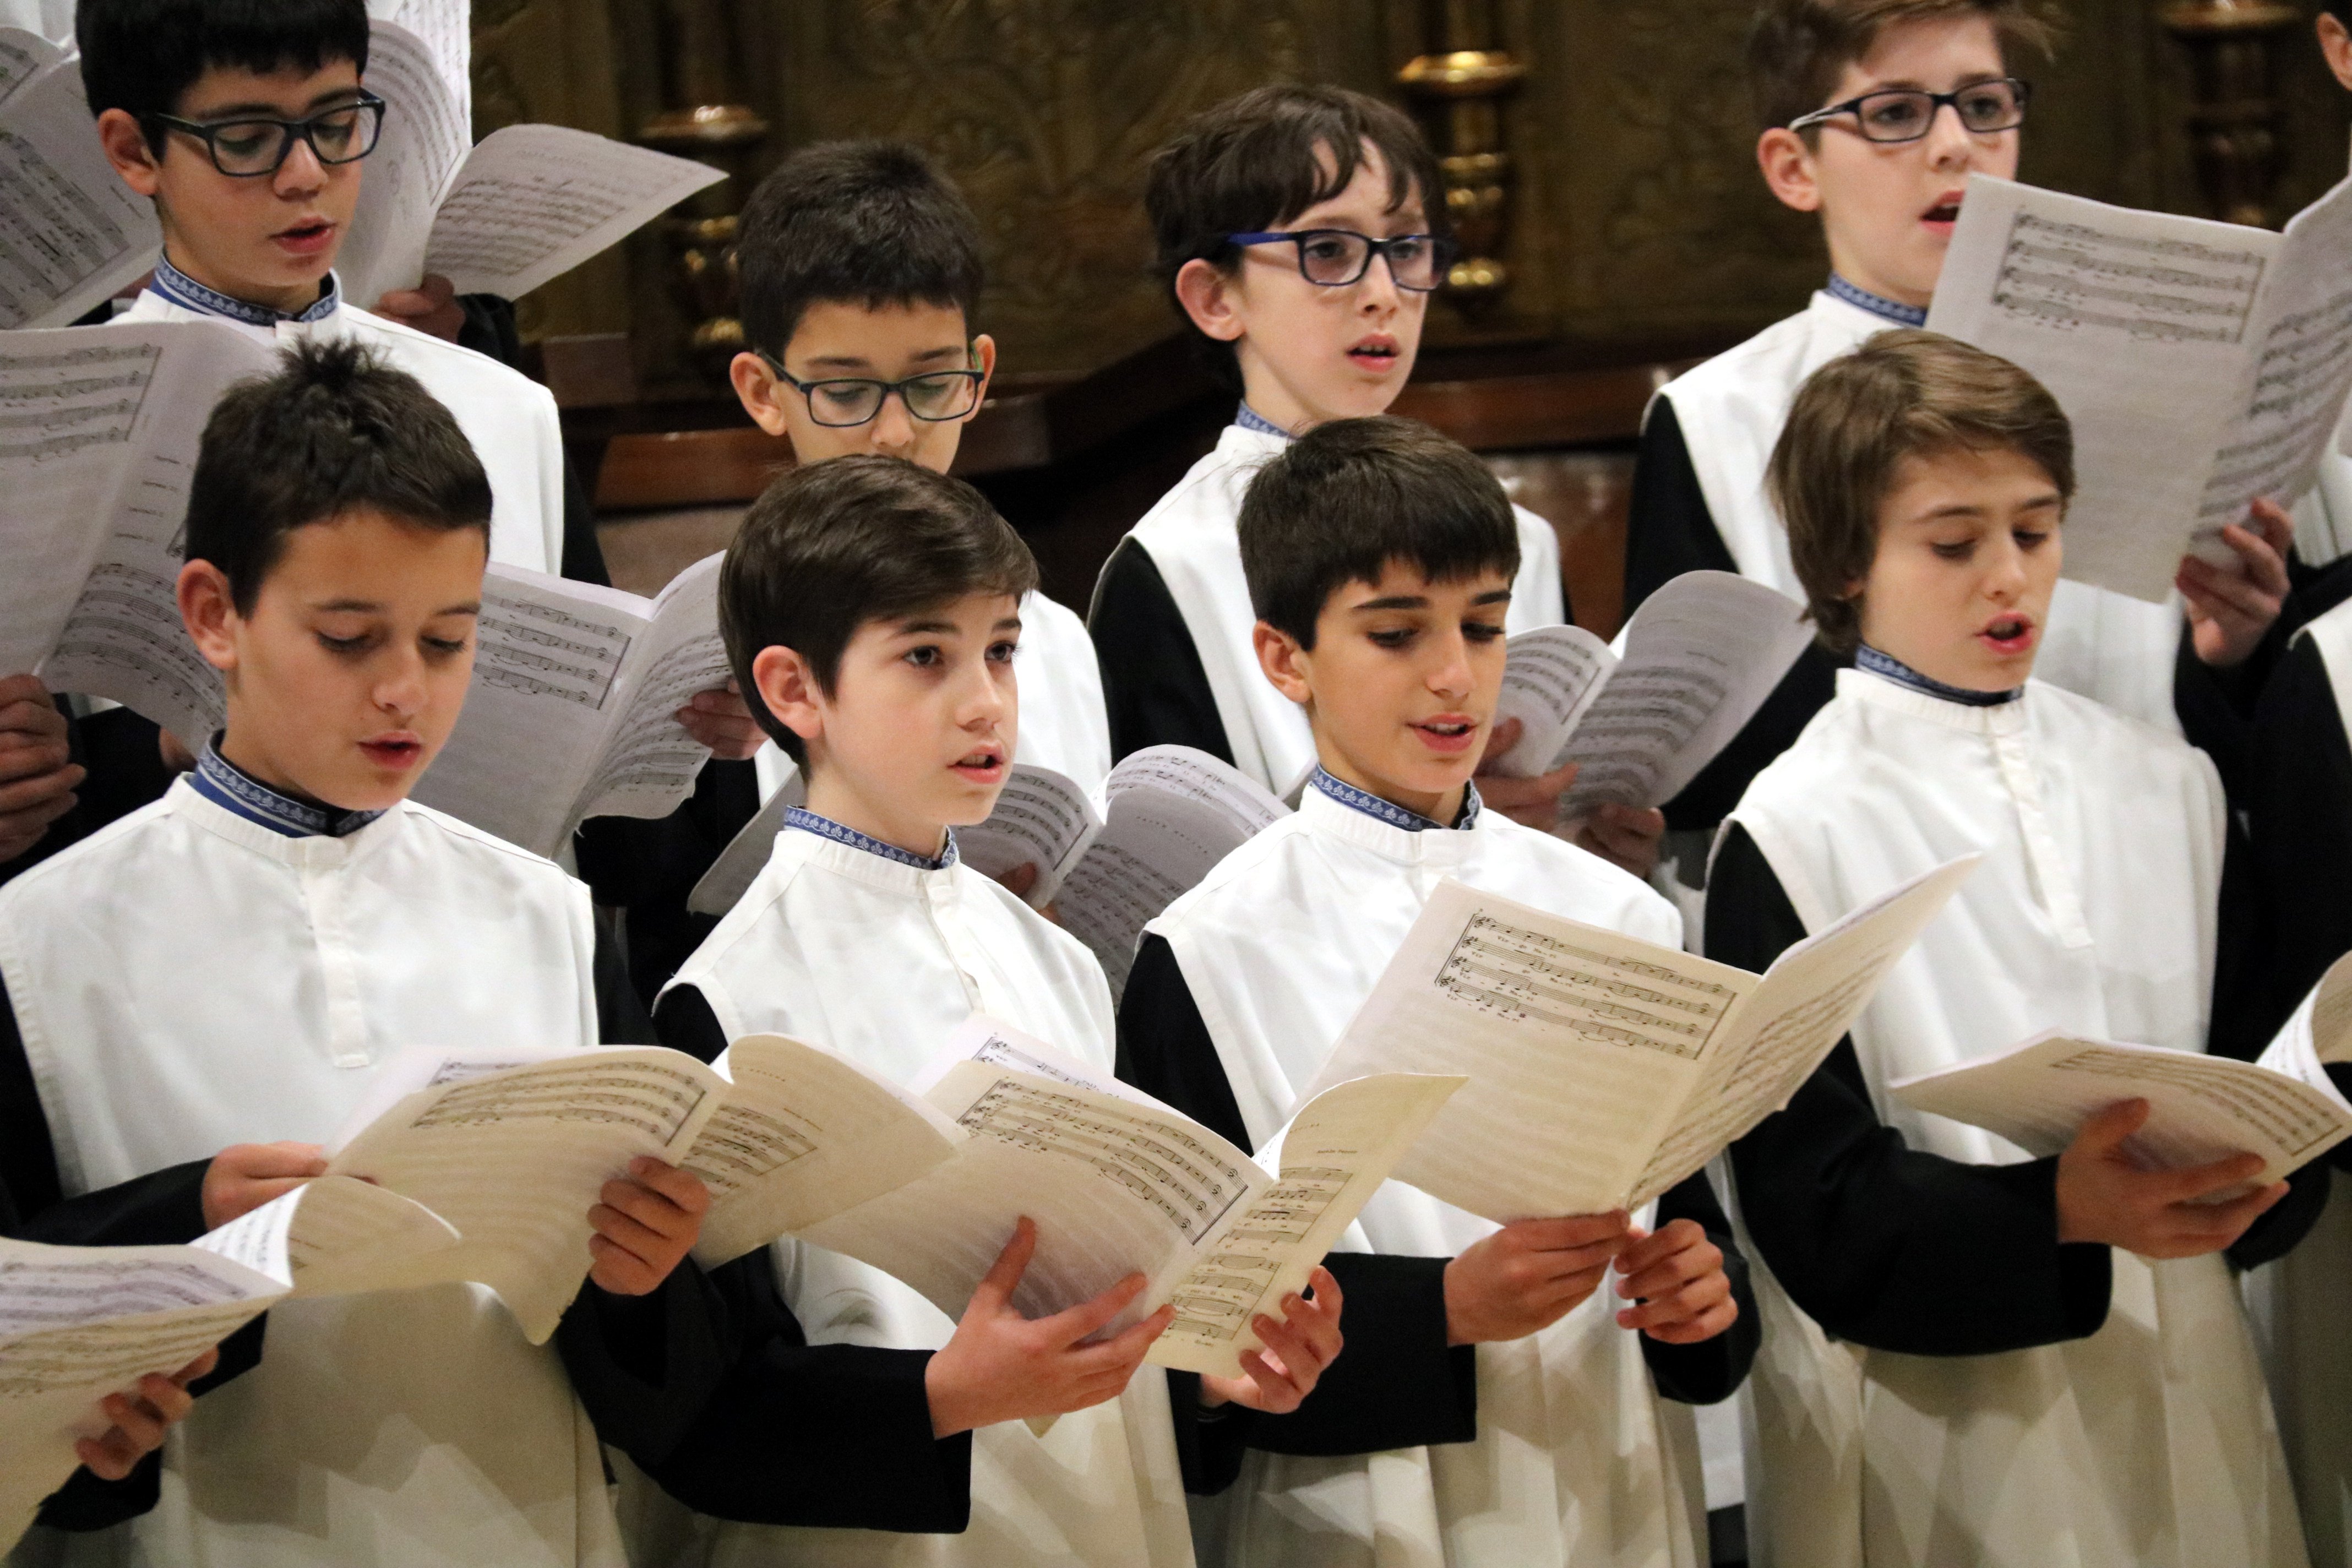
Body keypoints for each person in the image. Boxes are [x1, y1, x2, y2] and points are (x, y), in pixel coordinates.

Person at [0, 340, 715, 1566]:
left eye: (447, 640)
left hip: (522, 1518)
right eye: (348, 637)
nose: (406, 691)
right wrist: (181, 1221)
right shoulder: (37, 940)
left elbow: (648, 1366)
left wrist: (648, 1274)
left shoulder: (544, 912)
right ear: (214, 613)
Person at [638, 455, 1340, 1564]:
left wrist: (1207, 1366)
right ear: (793, 689)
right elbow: (712, 1405)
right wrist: (936, 1395)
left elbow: (1114, 1288)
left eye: (1001, 650)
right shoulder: (724, 998)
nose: (985, 701)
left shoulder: (1059, 962)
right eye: (927, 655)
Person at [1712, 328, 2327, 1568]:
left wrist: (2268, 1170)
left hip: (2196, 1375)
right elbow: (1810, 1197)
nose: (2012, 579)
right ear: (1843, 563)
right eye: (1953, 542)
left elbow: (2273, 1052)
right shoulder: (1789, 828)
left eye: (2036, 532)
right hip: (1947, 1435)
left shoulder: (2168, 781)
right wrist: (2059, 1206)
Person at [1121, 415, 1754, 1568]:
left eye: (1483, 624)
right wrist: (1449, 1307)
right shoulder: (1208, 950)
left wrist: (1701, 1304)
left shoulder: (1620, 914)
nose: (1457, 674)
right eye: (1397, 632)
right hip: (1363, 1519)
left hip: (1612, 1492)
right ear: (1284, 658)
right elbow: (1189, 1357)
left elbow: (1691, 1245)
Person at [1626, 0, 2292, 875]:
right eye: (1895, 113)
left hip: (2141, 868)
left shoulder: (2155, 365)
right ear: (1794, 167)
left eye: (1982, 105)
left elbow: (2223, 727)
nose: (1955, 147)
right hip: (1871, 882)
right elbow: (1689, 770)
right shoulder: (1717, 416)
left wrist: (2233, 654)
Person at [1087, 85, 1653, 864]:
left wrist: (1588, 845)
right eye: (1329, 252)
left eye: (1407, 248)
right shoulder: (1172, 565)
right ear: (1216, 297)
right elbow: (1174, 887)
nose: (1384, 294)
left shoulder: (1520, 535)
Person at [724, 139, 1110, 796]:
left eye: (931, 385)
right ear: (764, 392)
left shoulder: (1054, 637)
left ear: (977, 378)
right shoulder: (715, 669)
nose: (896, 434)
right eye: (846, 393)